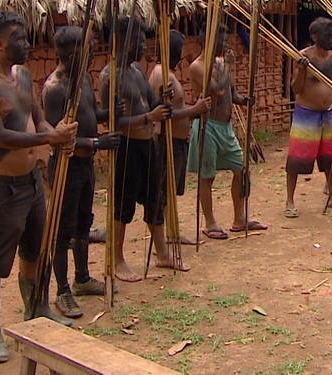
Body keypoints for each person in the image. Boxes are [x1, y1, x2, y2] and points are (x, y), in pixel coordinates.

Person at [0, 12, 78, 363]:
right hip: (2, 188)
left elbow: (38, 117)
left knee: (33, 251)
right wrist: (49, 137)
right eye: (20, 38)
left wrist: (59, 135)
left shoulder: (24, 76)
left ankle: (37, 309)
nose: (27, 44)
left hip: (31, 181)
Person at [41, 27, 119, 319]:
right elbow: (56, 137)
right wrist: (98, 142)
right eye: (87, 49)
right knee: (63, 231)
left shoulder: (82, 79)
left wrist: (110, 112)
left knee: (84, 223)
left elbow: (90, 115)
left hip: (85, 165)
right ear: (72, 53)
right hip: (66, 167)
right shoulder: (55, 89)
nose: (91, 54)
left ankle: (82, 278)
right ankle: (62, 290)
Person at [98, 16, 180, 282]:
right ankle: (117, 259)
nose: (145, 46)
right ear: (123, 40)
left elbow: (151, 103)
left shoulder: (135, 71)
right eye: (139, 40)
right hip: (127, 147)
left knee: (155, 199)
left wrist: (162, 98)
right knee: (123, 205)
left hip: (148, 145)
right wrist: (150, 117)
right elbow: (115, 121)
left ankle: (163, 255)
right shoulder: (110, 76)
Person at [187, 24, 267, 237]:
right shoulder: (198, 66)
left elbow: (231, 92)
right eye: (222, 41)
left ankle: (239, 219)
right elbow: (218, 91)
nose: (226, 45)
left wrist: (244, 100)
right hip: (208, 126)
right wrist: (229, 66)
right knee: (207, 176)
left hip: (226, 126)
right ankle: (210, 222)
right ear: (208, 42)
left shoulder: (221, 63)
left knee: (241, 169)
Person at [147, 29, 211, 246]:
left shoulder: (168, 74)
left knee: (170, 191)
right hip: (166, 141)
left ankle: (171, 233)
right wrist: (195, 110)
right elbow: (166, 112)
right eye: (179, 48)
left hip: (176, 141)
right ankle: (163, 239)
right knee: (163, 192)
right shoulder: (161, 74)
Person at [285, 18, 332, 216]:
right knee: (297, 160)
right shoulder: (303, 57)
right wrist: (302, 70)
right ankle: (289, 201)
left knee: (331, 157)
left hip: (327, 114)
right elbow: (295, 89)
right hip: (306, 114)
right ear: (314, 37)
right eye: (326, 35)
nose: (330, 38)